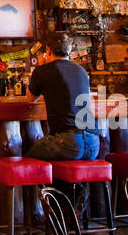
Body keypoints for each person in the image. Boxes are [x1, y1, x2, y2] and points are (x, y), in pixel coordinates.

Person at [28, 32, 99, 160]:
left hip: (68, 143)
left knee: (30, 160)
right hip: (93, 143)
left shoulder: (43, 70)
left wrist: (41, 65)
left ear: (48, 50)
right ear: (70, 50)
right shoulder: (81, 70)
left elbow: (30, 98)